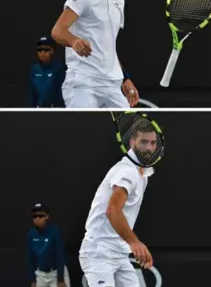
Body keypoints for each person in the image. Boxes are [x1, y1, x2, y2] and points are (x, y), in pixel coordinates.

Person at [51, 0, 139, 108]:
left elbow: (108, 46)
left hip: (113, 85)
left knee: (130, 132)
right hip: (83, 83)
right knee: (84, 132)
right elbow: (57, 31)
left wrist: (125, 78)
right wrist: (74, 40)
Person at [79, 117, 157, 287]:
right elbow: (113, 210)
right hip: (99, 251)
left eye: (153, 143)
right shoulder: (127, 171)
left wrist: (130, 245)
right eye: (144, 142)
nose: (150, 147)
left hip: (119, 253)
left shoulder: (142, 173)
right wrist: (134, 242)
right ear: (132, 142)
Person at [28, 203, 70, 287]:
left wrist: (61, 279)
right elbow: (31, 258)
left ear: (47, 216)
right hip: (40, 275)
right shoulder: (31, 234)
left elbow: (60, 256)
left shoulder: (55, 231)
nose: (37, 218)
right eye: (34, 216)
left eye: (41, 216)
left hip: (55, 273)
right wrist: (33, 280)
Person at [28, 36, 66, 108]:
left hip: (56, 109)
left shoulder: (59, 68)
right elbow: (32, 91)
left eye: (46, 49)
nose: (42, 52)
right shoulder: (35, 68)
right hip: (39, 109)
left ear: (52, 51)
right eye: (39, 50)